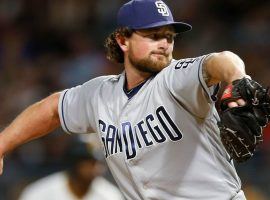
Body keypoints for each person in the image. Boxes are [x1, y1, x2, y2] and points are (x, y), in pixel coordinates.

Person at [0, 0, 263, 199]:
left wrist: (239, 81)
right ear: (123, 40)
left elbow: (221, 61)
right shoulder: (100, 94)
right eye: (153, 36)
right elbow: (53, 109)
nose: (164, 44)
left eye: (169, 36)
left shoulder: (176, 79)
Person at [18, 138, 124, 200]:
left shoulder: (110, 196)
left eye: (97, 163)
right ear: (75, 164)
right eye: (90, 164)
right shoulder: (39, 194)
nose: (96, 169)